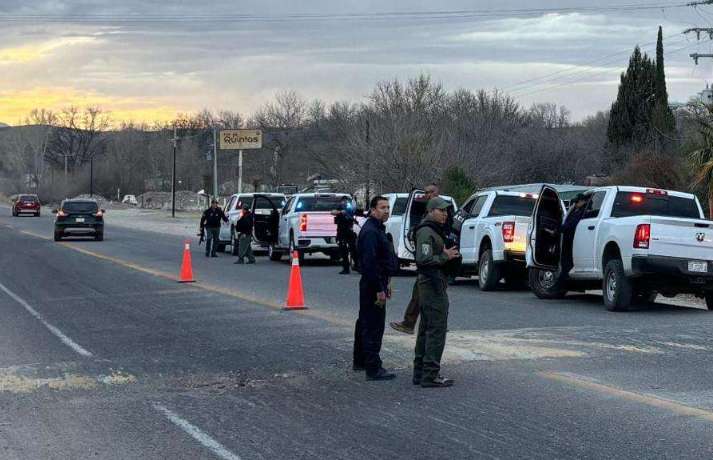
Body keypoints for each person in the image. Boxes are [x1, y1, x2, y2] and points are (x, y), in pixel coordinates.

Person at [413, 197, 460, 388]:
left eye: (446, 211)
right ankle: (430, 374)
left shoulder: (435, 230)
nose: (445, 214)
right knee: (436, 330)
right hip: (431, 283)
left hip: (434, 282)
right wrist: (445, 255)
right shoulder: (426, 231)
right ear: (431, 211)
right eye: (441, 210)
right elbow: (423, 259)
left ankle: (421, 372)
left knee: (427, 328)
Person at [353, 195, 399, 381]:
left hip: (377, 281)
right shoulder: (371, 231)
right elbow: (370, 263)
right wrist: (379, 288)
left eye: (388, 207)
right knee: (373, 325)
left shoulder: (378, 229)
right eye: (382, 207)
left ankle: (361, 360)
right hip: (372, 284)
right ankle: (373, 367)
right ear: (372, 210)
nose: (386, 210)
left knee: (365, 321)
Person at [389, 183, 440, 334]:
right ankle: (413, 323)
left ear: (437, 192)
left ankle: (414, 323)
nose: (427, 195)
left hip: (433, 260)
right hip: (427, 259)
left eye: (430, 192)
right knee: (422, 293)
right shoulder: (427, 210)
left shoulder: (441, 211)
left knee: (427, 294)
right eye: (425, 193)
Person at [559, 193, 588, 282]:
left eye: (576, 202)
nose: (575, 204)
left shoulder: (582, 212)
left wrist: (559, 229)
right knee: (565, 259)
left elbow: (571, 224)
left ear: (582, 201)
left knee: (567, 260)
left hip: (572, 238)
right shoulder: (576, 210)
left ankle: (564, 279)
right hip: (569, 237)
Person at [332, 197, 359, 275]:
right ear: (341, 201)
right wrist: (340, 212)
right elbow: (332, 212)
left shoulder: (351, 208)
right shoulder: (340, 207)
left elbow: (358, 212)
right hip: (341, 232)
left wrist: (365, 215)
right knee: (343, 250)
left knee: (353, 248)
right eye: (344, 201)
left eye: (347, 201)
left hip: (349, 231)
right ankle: (346, 268)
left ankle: (357, 265)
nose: (345, 202)